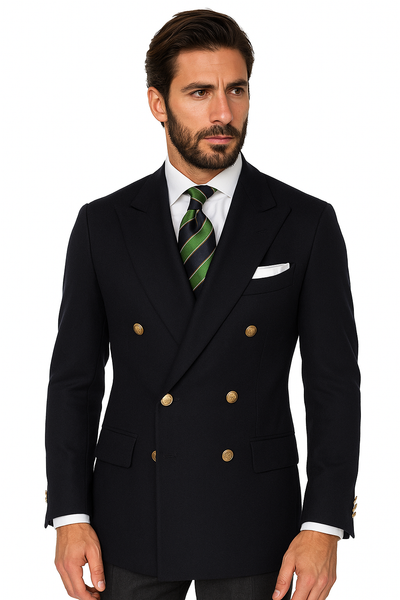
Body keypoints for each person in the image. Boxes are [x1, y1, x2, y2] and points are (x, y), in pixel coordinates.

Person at [45, 9, 360, 600]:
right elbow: (74, 382)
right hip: (130, 515)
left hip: (256, 519)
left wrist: (323, 524)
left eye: (236, 90)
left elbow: (333, 385)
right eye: (199, 92)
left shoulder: (306, 223)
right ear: (157, 104)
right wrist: (69, 514)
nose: (223, 113)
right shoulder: (102, 225)